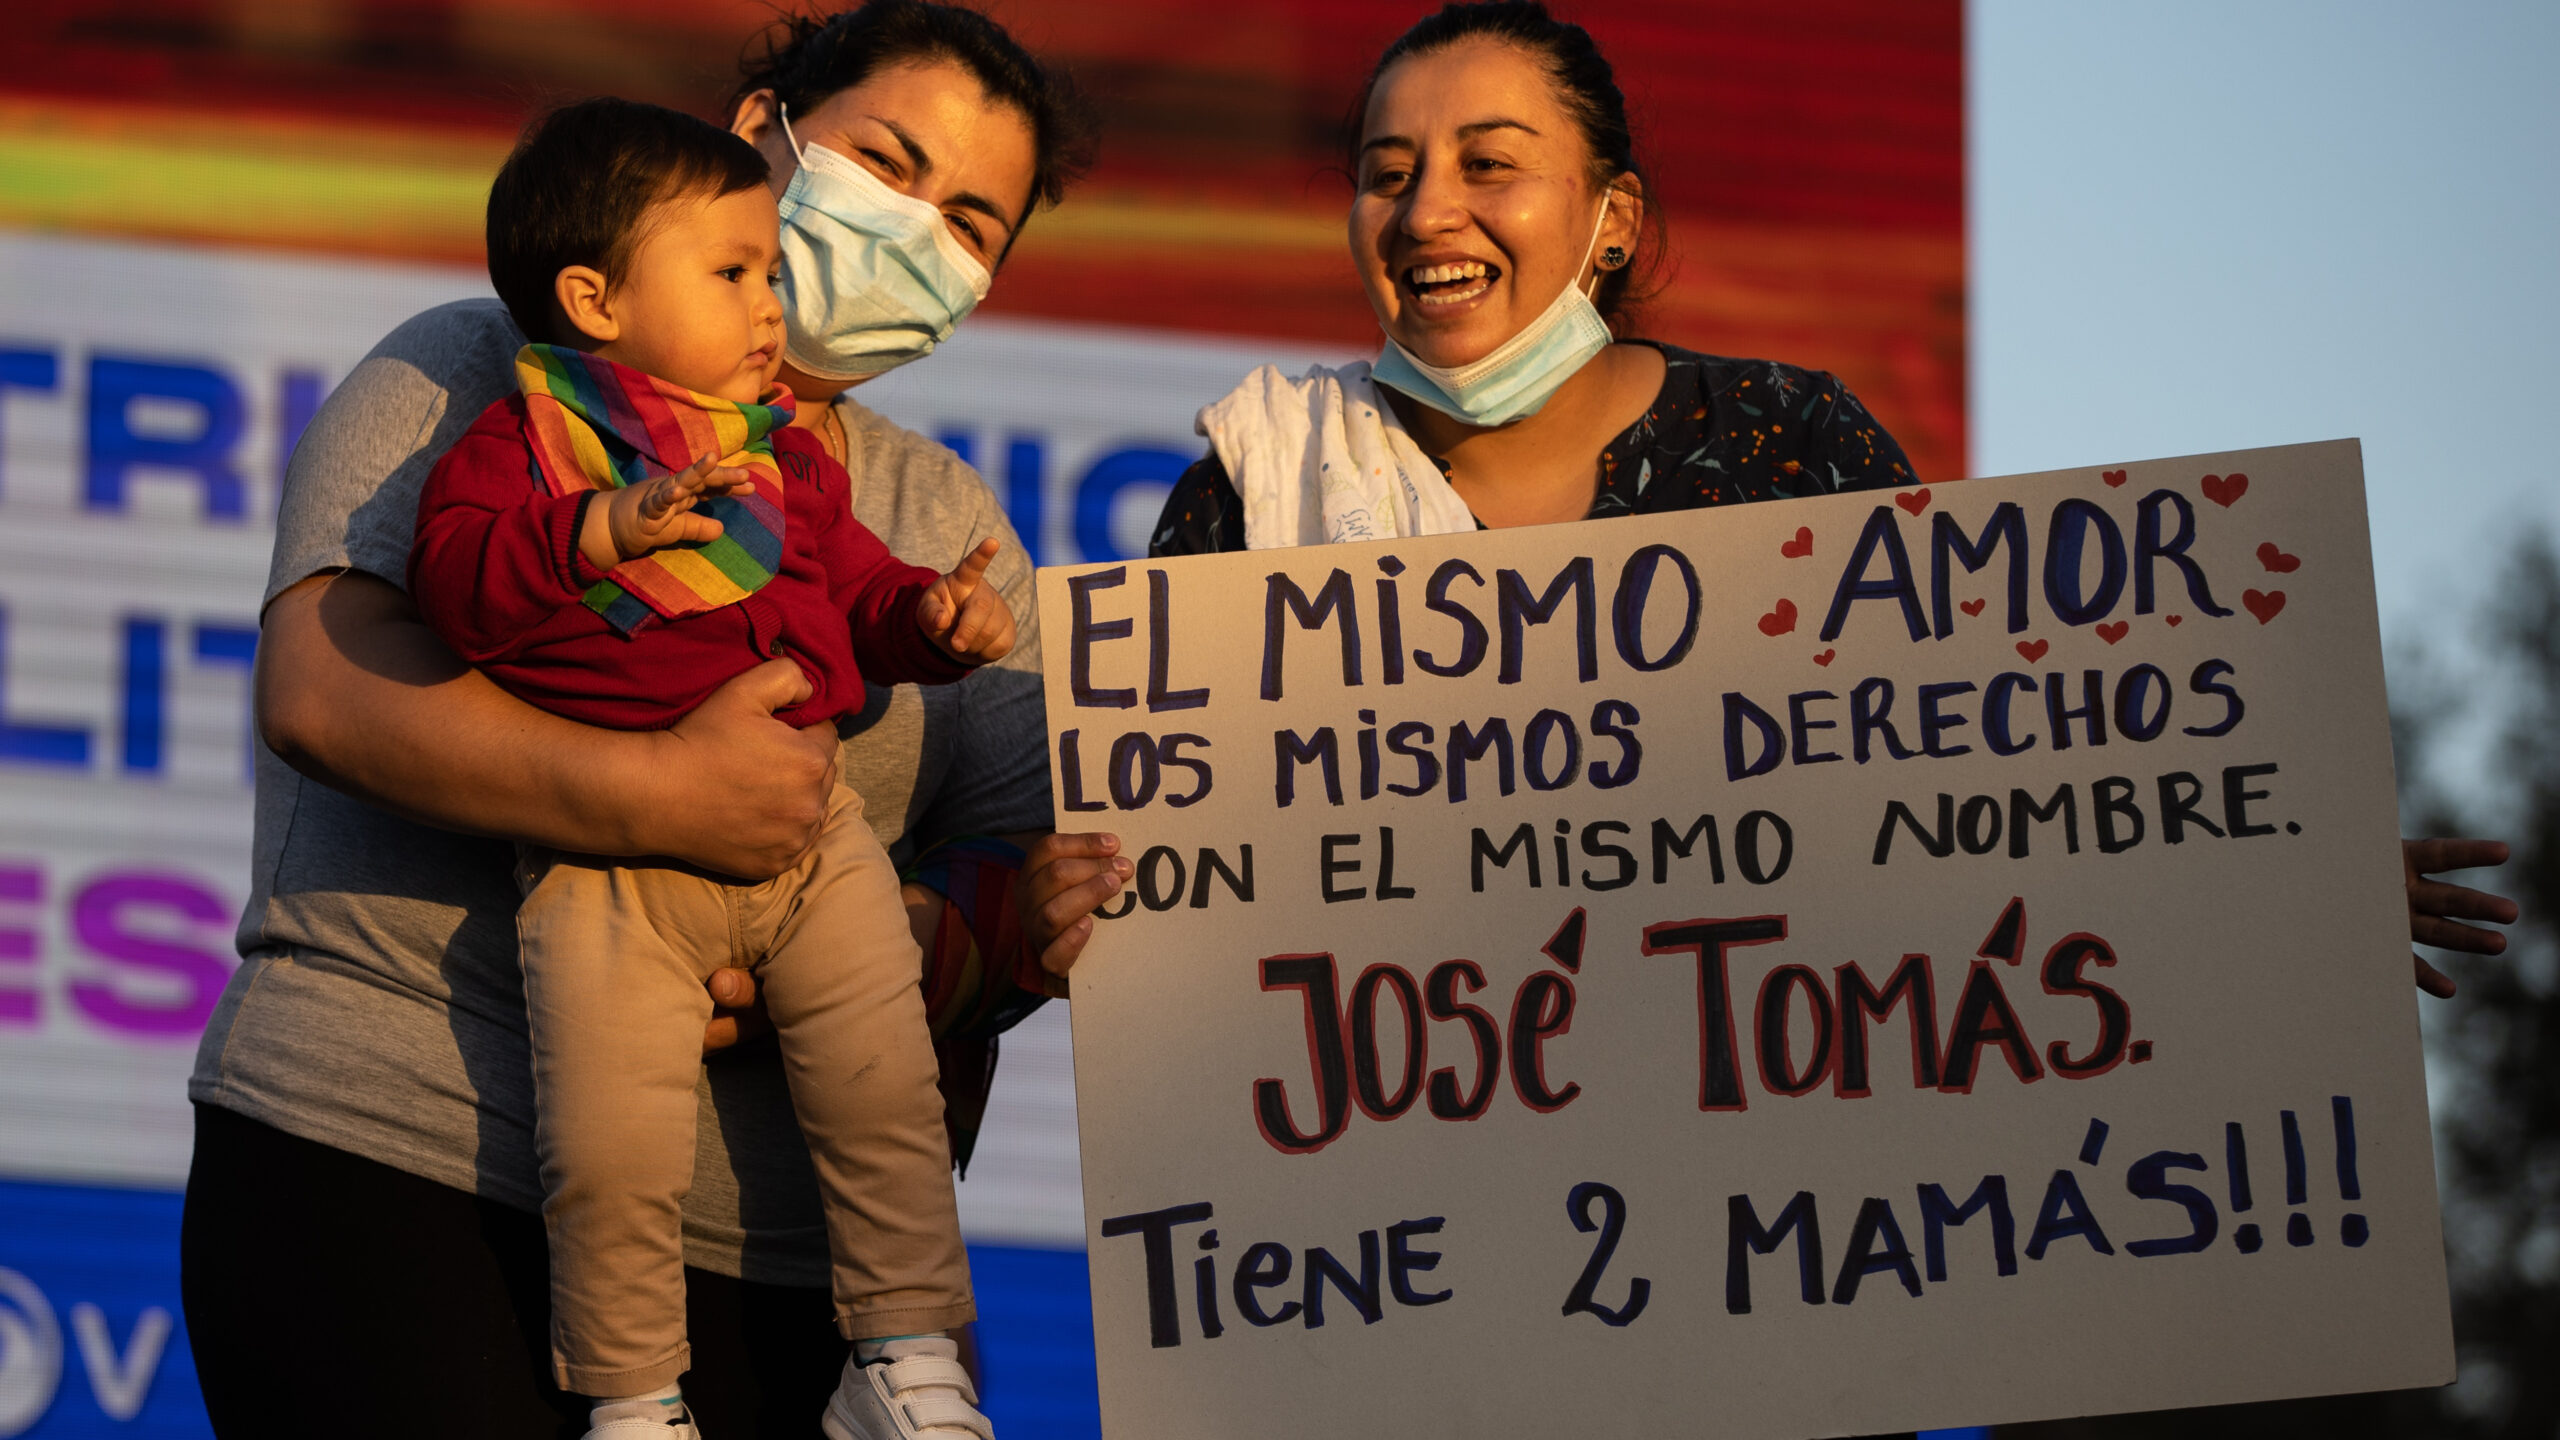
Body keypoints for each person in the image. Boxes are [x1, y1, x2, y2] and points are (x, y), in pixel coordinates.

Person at [1118, 0, 2517, 1000]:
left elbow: (1993, 801)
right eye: (1386, 173)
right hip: (1402, 1296)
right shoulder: (1252, 497)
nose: (1427, 211)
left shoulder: (1790, 446)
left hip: (1777, 1276)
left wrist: (2267, 870)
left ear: (1611, 217)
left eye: (1489, 164)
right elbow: (1172, 935)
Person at [180, 5, 1123, 1435]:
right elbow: (322, 688)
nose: (916, 231)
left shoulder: (942, 518)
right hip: (389, 1165)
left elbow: (1021, 879)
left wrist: (869, 951)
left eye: (971, 222)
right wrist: (663, 801)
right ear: (761, 132)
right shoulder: (474, 371)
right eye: (887, 162)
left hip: (780, 1263)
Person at [406, 98, 1017, 1439]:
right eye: (735, 273)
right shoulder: (517, 445)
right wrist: (599, 526)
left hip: (818, 850)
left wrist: (929, 622)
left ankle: (904, 1361)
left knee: (887, 1098)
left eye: (769, 272)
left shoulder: (784, 456)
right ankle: (631, 1399)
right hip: (608, 875)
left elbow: (855, 593)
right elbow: (455, 590)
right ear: (595, 299)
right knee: (612, 1152)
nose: (769, 303)